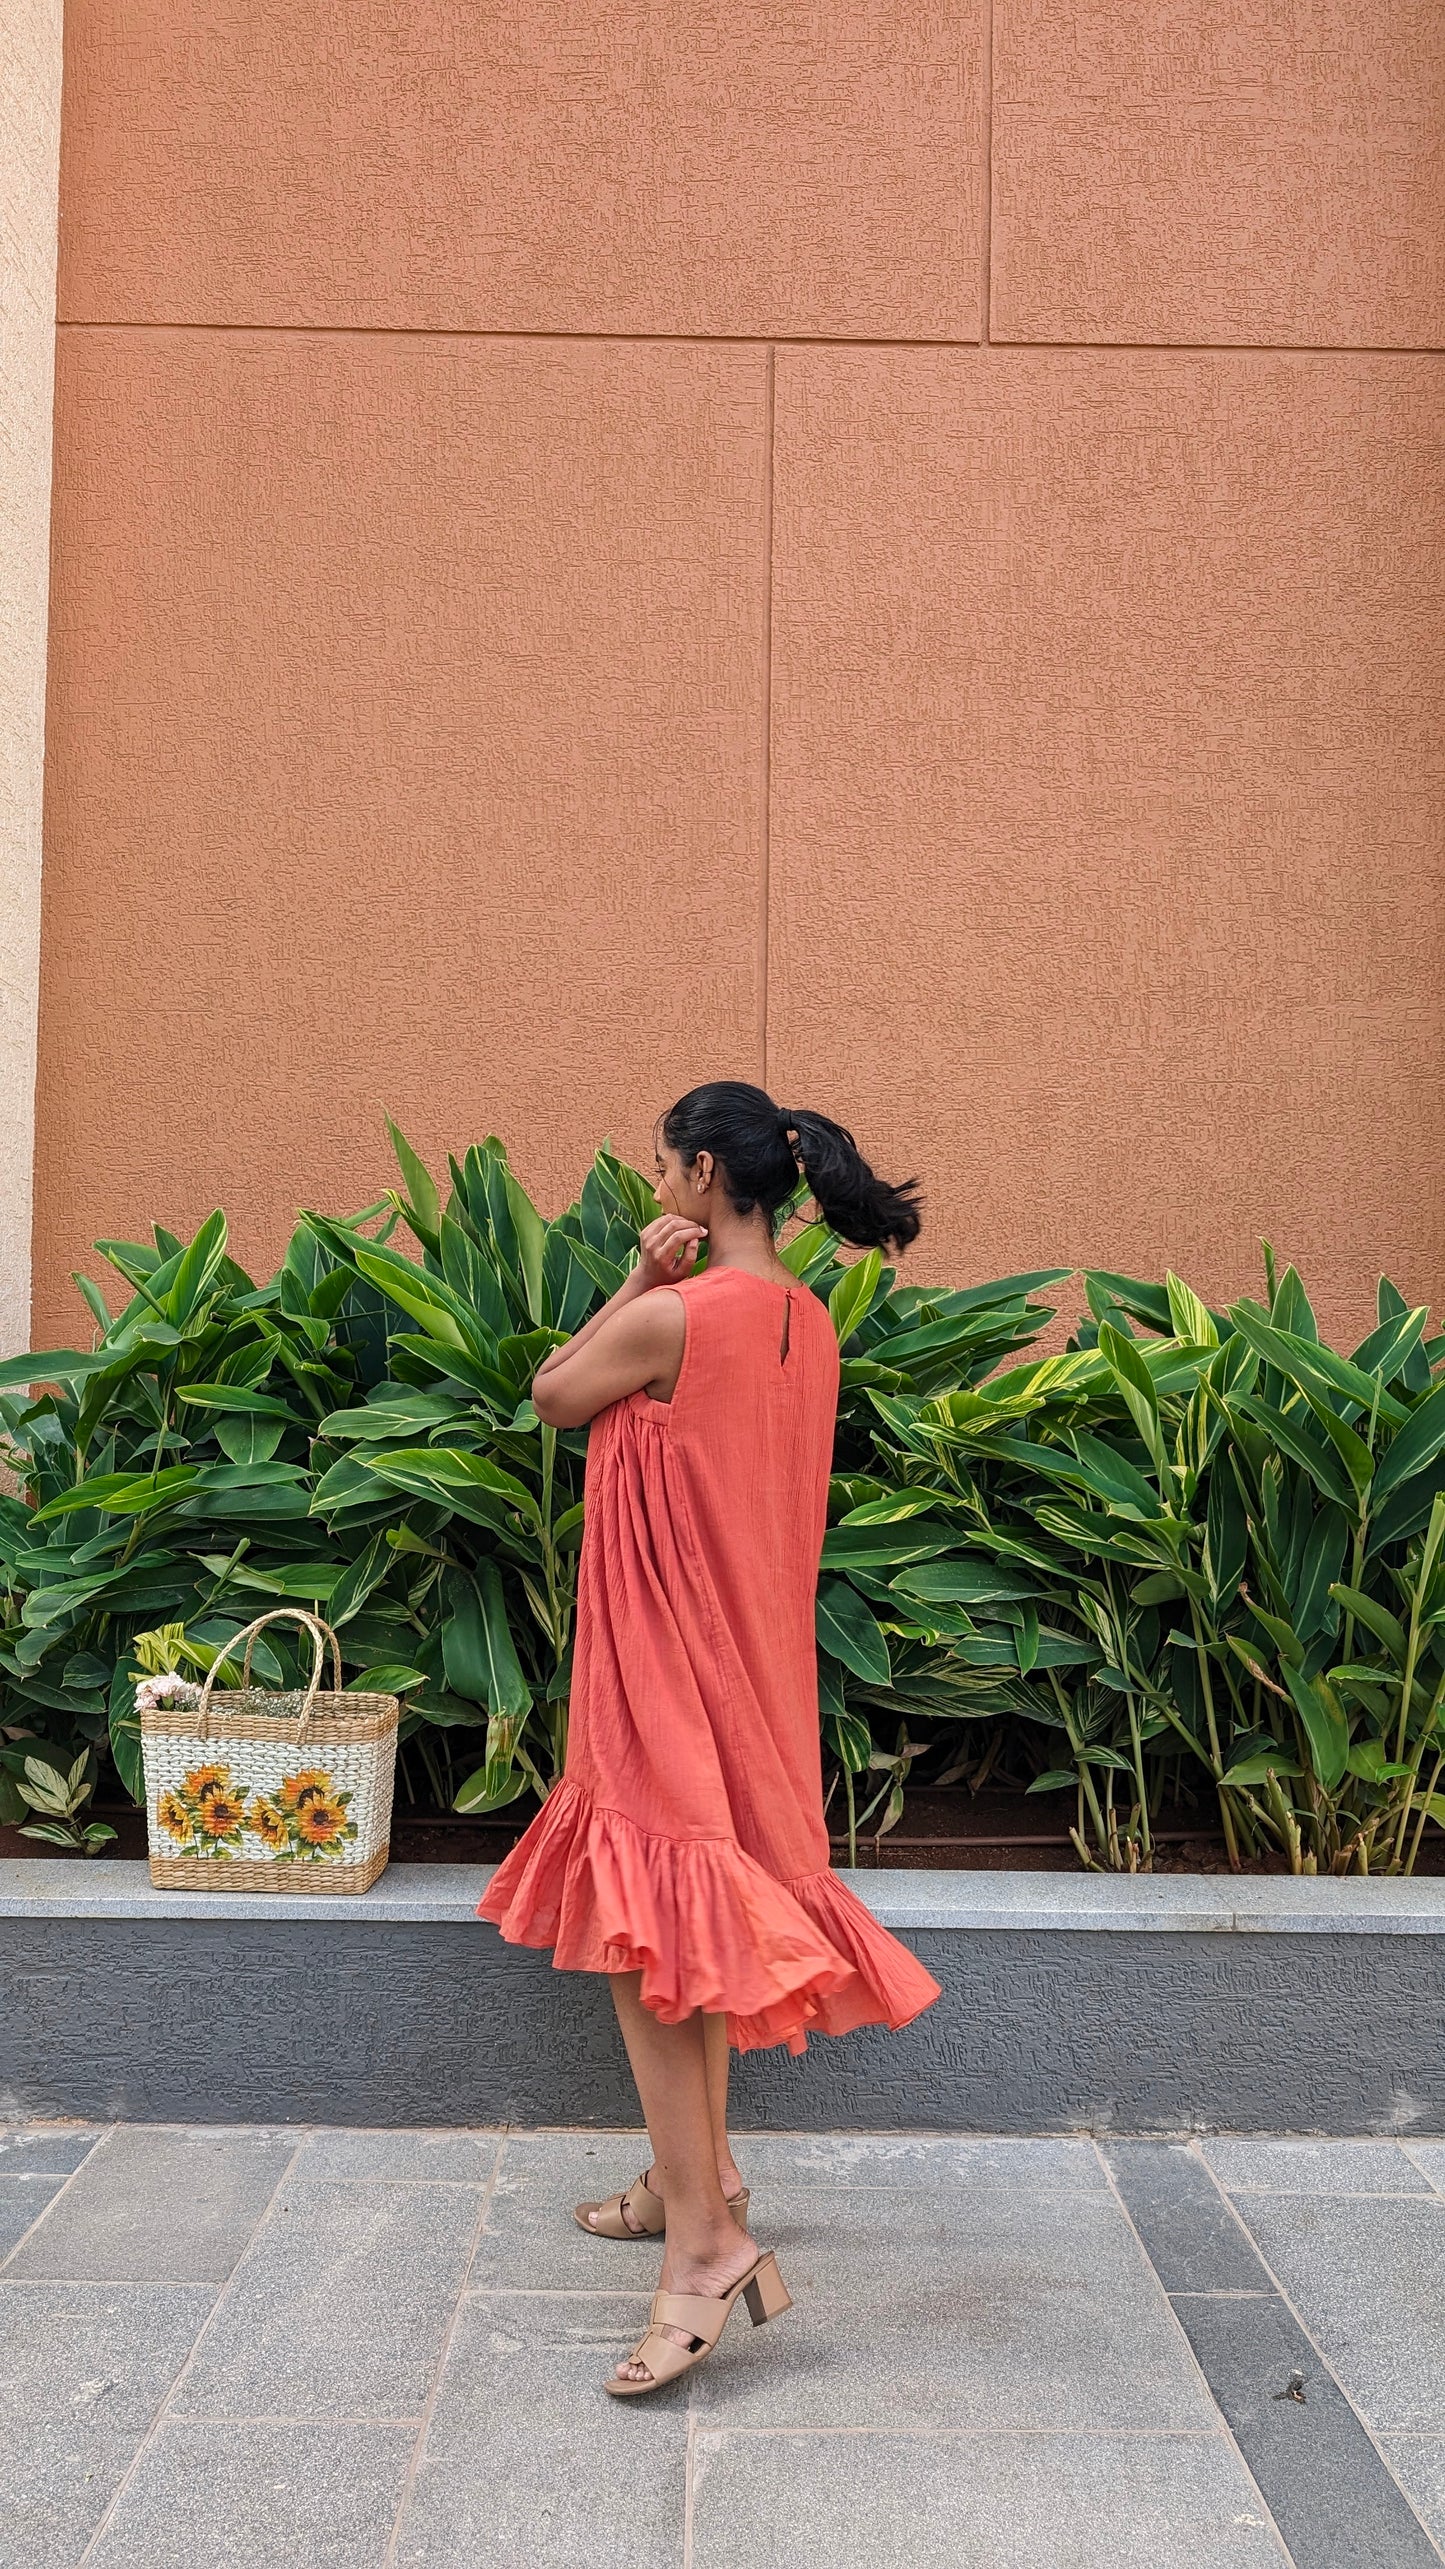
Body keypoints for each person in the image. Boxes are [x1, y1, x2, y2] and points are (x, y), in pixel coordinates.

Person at [478, 1081, 941, 2394]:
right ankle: (699, 2172)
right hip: (756, 1673)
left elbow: (553, 1392)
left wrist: (633, 1275)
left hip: (664, 1666)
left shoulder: (675, 1314)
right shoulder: (804, 1317)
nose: (654, 1186)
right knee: (698, 1932)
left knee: (649, 1940)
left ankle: (706, 2246)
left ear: (695, 1174)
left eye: (660, 1168)